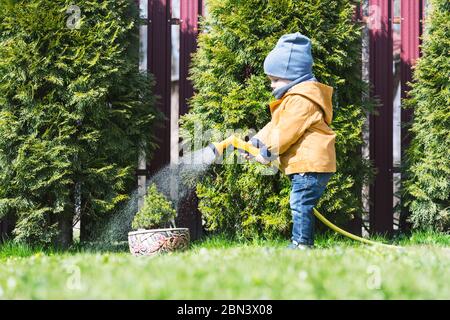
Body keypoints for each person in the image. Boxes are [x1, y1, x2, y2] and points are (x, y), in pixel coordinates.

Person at [247, 32, 336, 249]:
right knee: (300, 203)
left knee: (300, 204)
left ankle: (302, 244)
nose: (271, 85)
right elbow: (275, 126)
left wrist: (267, 154)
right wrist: (257, 142)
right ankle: (301, 243)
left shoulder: (302, 100)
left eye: (275, 79)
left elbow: (286, 132)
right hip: (307, 165)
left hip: (310, 165)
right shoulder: (295, 99)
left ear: (293, 75)